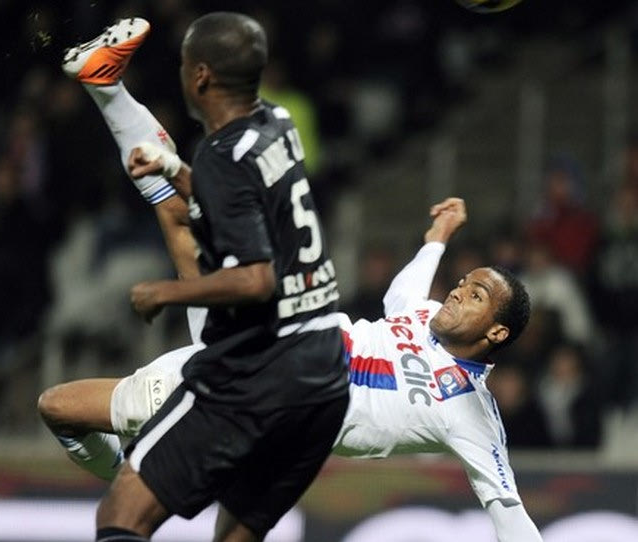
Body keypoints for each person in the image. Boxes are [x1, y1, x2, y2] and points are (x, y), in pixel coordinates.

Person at [39, 16, 541, 542]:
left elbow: (510, 513)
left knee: (62, 409)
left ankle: (134, 475)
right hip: (265, 348)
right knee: (179, 217)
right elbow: (404, 293)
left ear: (497, 331)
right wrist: (437, 239)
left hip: (263, 399)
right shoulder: (424, 317)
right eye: (464, 282)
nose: (458, 291)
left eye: (476, 294)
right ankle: (105, 84)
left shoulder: (471, 414)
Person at [50, 14, 350, 542]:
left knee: (119, 509)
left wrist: (166, 292)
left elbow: (256, 280)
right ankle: (104, 84)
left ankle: (105, 87)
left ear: (201, 76)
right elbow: (235, 198)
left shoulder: (221, 158)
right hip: (323, 374)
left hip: (256, 368)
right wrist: (173, 169)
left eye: (184, 64)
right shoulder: (278, 122)